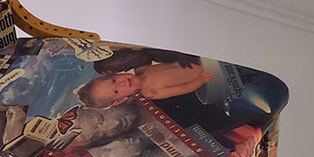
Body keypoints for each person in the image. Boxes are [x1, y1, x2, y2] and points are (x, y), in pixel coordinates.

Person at [77, 62, 216, 109]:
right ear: (121, 100)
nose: (122, 83)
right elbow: (183, 89)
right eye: (117, 91)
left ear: (115, 74)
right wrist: (200, 80)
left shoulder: (141, 68)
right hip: (208, 73)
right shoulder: (151, 92)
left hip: (200, 59)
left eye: (114, 81)